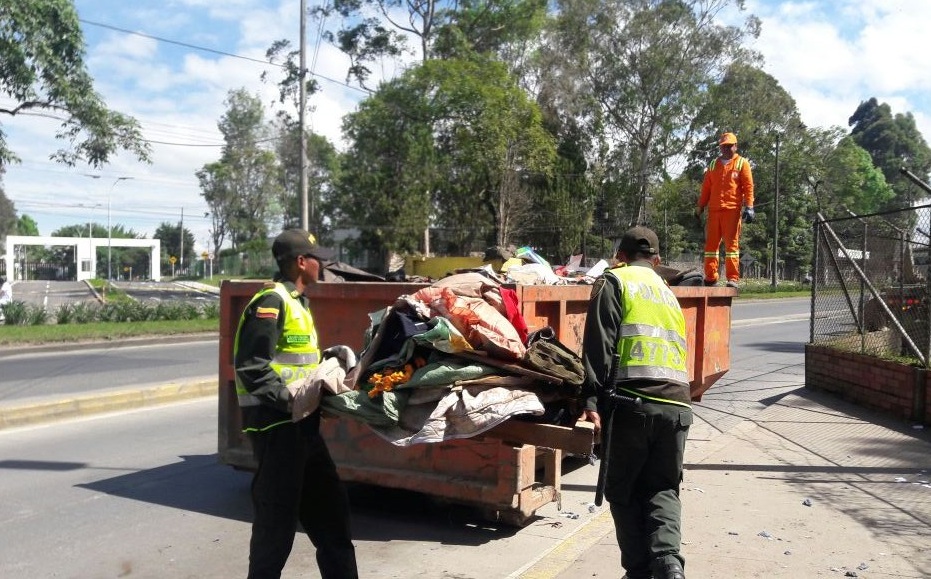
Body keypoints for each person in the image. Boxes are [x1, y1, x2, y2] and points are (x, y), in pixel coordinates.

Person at [233, 229, 358, 579]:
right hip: (277, 429)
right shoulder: (271, 302)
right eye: (318, 259)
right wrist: (292, 400)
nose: (323, 265)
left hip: (303, 428)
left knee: (333, 517)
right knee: (275, 529)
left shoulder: (299, 303)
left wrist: (328, 365)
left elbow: (296, 365)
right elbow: (252, 367)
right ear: (302, 262)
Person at [581, 226, 692, 579]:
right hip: (678, 407)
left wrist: (590, 402)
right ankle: (669, 563)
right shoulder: (667, 293)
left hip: (632, 404)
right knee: (663, 487)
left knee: (624, 491)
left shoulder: (614, 281)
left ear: (621, 257)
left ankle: (639, 571)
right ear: (657, 261)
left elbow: (600, 344)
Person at [695, 132, 755, 288]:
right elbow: (706, 188)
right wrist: (700, 206)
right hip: (714, 211)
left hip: (732, 211)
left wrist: (749, 206)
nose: (726, 149)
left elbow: (748, 187)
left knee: (731, 246)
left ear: (736, 146)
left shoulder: (742, 163)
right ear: (720, 147)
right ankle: (710, 276)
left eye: (729, 146)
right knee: (711, 246)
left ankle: (732, 278)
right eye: (724, 146)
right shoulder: (713, 165)